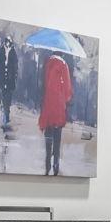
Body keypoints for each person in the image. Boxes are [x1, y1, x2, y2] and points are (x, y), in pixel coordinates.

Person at [39, 47, 73, 176]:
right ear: (62, 52)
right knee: (57, 137)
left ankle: (47, 162)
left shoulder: (47, 63)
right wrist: (66, 99)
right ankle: (56, 163)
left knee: (48, 134)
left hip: (48, 104)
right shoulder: (64, 65)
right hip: (58, 106)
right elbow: (68, 89)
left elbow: (43, 84)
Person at [0, 33, 19, 133]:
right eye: (6, 41)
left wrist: (14, 76)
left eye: (9, 42)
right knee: (3, 94)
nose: (7, 43)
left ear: (11, 43)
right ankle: (4, 111)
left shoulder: (13, 52)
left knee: (8, 97)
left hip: (10, 79)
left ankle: (7, 114)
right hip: (3, 76)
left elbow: (15, 66)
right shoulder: (2, 50)